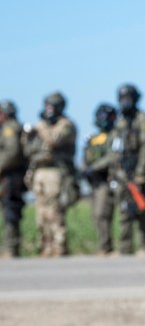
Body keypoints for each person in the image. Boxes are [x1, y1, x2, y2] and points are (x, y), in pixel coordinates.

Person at [25, 92, 77, 257]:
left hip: (56, 172)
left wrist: (41, 128)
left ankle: (59, 246)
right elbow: (28, 149)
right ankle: (45, 246)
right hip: (39, 171)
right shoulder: (41, 126)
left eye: (52, 106)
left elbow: (54, 140)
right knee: (41, 212)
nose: (49, 110)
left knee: (54, 210)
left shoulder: (66, 125)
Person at [112, 83, 145, 256]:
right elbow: (116, 149)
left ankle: (144, 246)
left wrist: (140, 173)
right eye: (122, 99)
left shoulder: (143, 120)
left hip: (137, 170)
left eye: (127, 98)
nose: (124, 102)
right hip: (123, 172)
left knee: (141, 208)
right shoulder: (121, 122)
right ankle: (124, 248)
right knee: (124, 209)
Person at [84, 103, 119, 255]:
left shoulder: (115, 136)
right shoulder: (93, 138)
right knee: (95, 215)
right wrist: (85, 170)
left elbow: (114, 156)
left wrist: (95, 167)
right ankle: (103, 245)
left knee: (102, 213)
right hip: (94, 182)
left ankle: (106, 246)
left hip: (107, 180)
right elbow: (86, 158)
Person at [0, 100, 27, 258]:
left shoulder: (10, 128)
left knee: (10, 210)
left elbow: (12, 151)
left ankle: (11, 248)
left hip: (9, 176)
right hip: (8, 175)